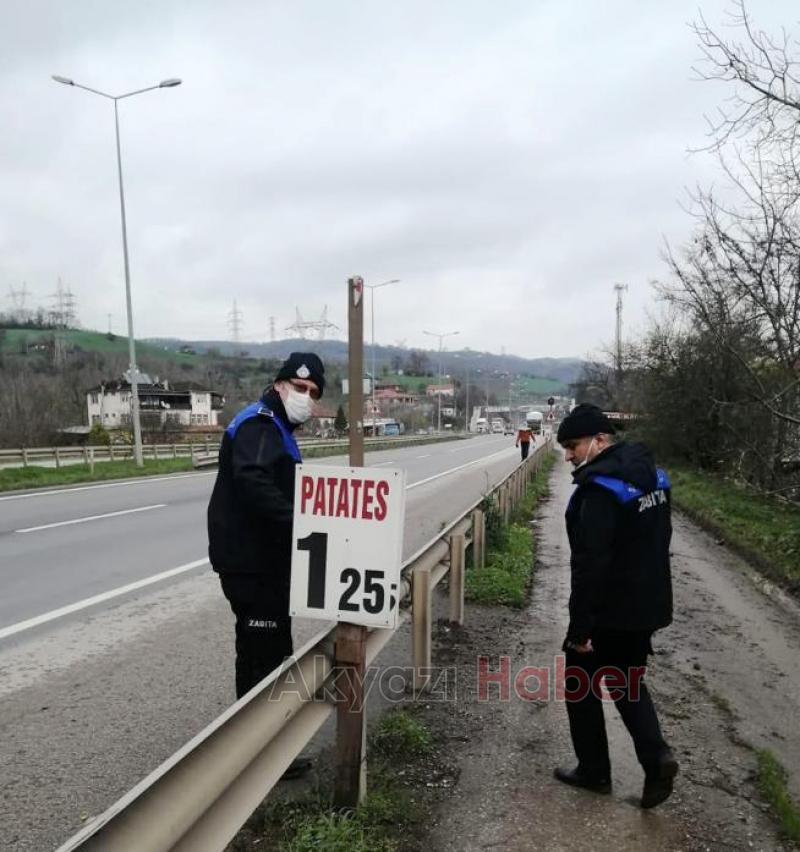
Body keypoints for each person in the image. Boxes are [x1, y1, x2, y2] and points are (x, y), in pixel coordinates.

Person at [554, 403, 678, 809]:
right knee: (626, 681)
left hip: (609, 610)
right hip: (646, 605)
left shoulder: (600, 490)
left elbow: (590, 565)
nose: (569, 455)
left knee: (581, 681)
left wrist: (580, 630)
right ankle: (656, 759)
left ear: (601, 440)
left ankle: (594, 771)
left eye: (573, 445)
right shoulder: (653, 477)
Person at [207, 352, 325, 776]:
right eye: (299, 387)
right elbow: (254, 480)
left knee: (263, 650)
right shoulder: (259, 425)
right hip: (251, 563)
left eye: (312, 393)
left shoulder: (276, 427)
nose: (305, 396)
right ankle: (261, 756)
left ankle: (259, 746)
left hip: (260, 561)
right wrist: (301, 526)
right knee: (265, 654)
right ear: (279, 385)